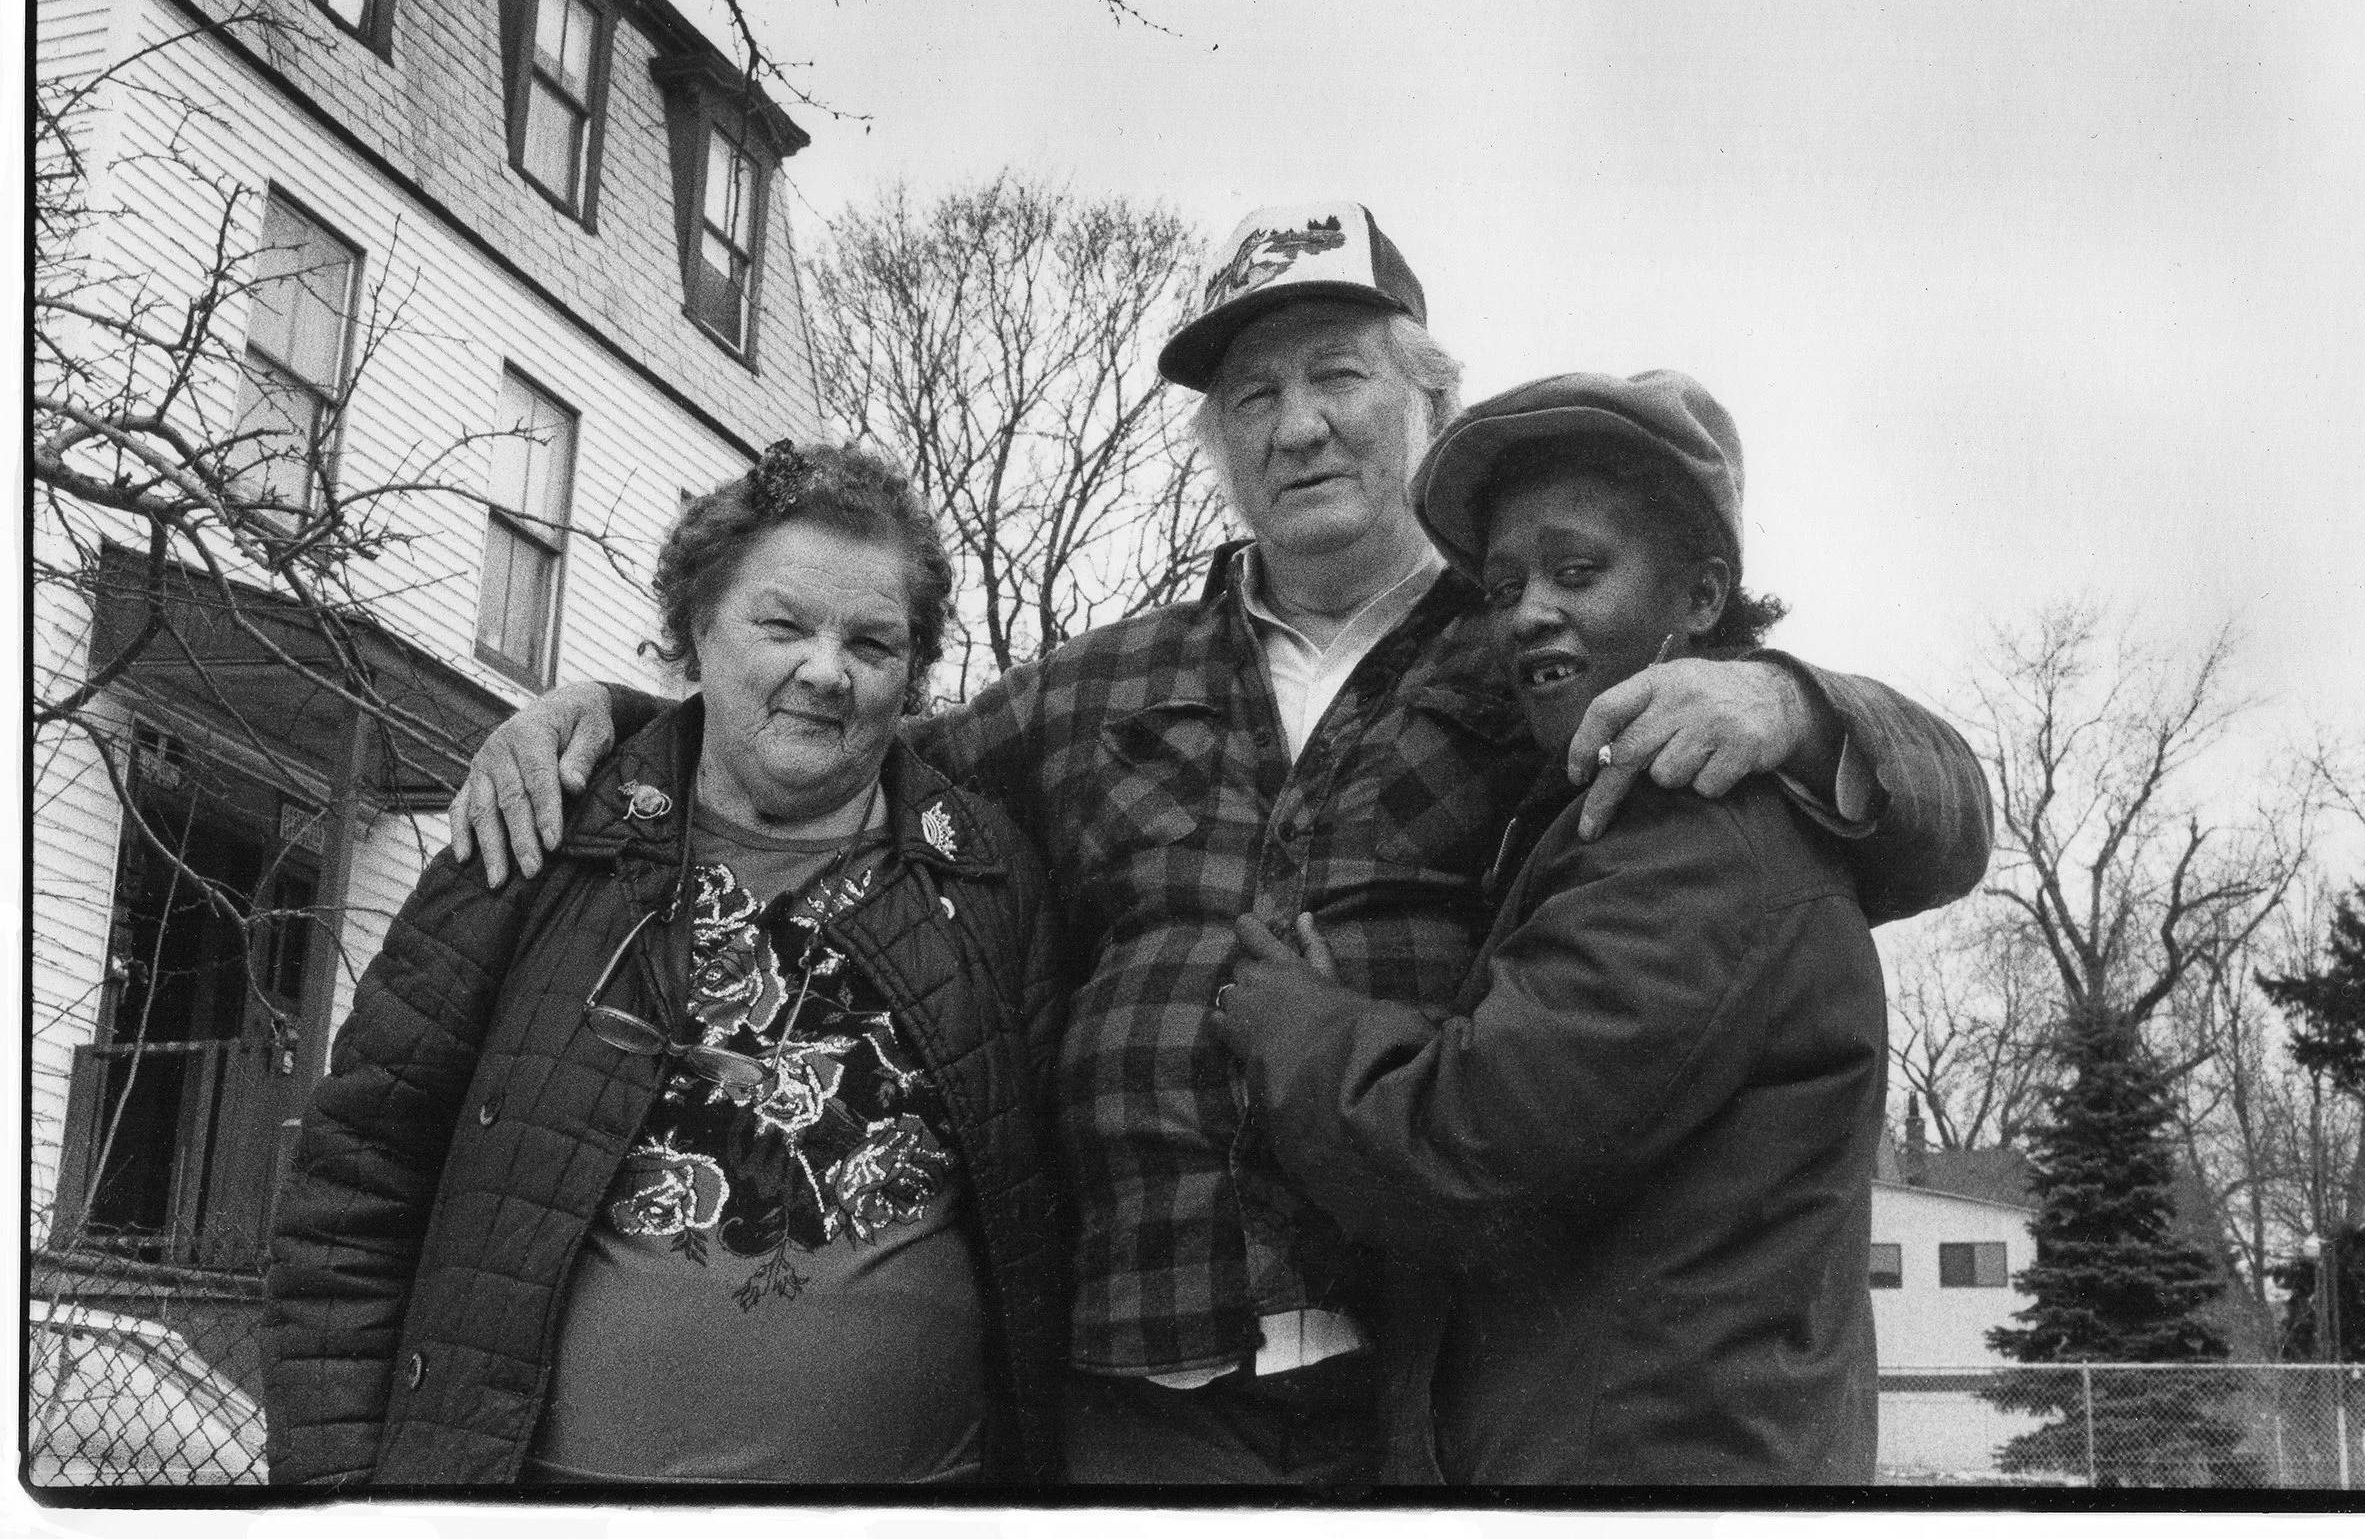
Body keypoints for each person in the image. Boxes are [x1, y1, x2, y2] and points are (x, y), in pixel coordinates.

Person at [448, 202, 1990, 1485]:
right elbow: (841, 755)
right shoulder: (1100, 683)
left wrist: (1798, 700)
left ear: (1426, 401)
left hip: (1429, 1392)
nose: (1296, 423)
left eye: (1337, 375)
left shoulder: (1541, 649)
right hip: (1137, 1388)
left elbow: (1922, 829)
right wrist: (617, 719)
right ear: (1216, 441)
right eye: (1251, 394)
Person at [262, 442, 1067, 1488]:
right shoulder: (540, 830)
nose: (827, 670)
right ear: (696, 628)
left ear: (911, 673)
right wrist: (338, 1499)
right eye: (782, 625)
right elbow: (357, 1181)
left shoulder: (990, 879)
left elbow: (1053, 1212)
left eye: (873, 641)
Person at [1213, 370, 1886, 1484]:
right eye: (1503, 585)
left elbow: (1471, 1148)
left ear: (1702, 595)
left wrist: (1297, 1024)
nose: (1528, 610)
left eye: (1577, 572)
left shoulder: (1695, 839)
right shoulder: (1606, 811)